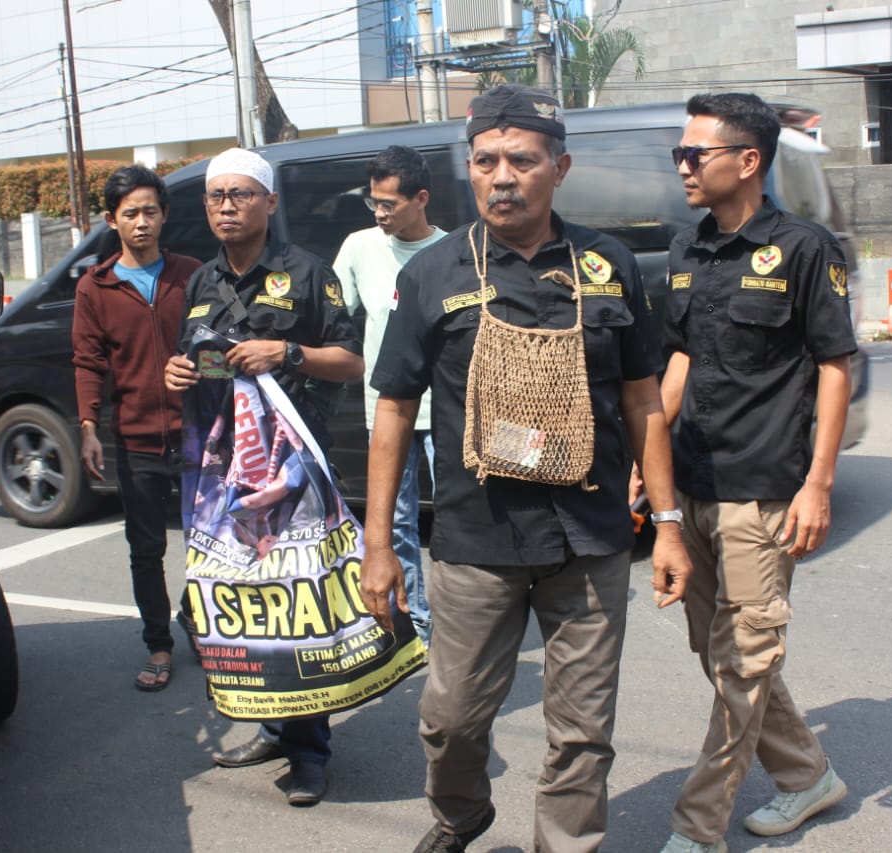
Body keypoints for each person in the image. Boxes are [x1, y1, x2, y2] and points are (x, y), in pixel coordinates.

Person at [359, 85, 691, 853]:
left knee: (582, 732)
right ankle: (460, 814)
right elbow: (394, 411)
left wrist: (667, 524)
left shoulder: (605, 265)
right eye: (485, 161)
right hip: (478, 537)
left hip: (592, 535)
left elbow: (644, 401)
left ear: (559, 167)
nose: (501, 176)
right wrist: (379, 545)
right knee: (450, 719)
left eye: (521, 160)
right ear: (467, 170)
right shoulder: (437, 271)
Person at [654, 93, 857, 853]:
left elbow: (834, 366)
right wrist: (652, 462)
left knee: (742, 659)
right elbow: (680, 359)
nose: (682, 166)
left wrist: (819, 483)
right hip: (693, 483)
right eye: (679, 153)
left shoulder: (804, 248)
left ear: (748, 160)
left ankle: (697, 827)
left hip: (765, 487)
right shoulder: (688, 249)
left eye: (693, 154)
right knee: (717, 650)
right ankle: (808, 774)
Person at [163, 147, 363, 807]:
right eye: (216, 195)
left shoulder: (307, 274)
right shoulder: (200, 283)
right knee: (251, 610)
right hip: (222, 479)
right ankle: (272, 724)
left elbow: (351, 360)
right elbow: (200, 363)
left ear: (269, 203)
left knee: (299, 608)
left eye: (240, 194)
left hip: (291, 473)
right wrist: (180, 373)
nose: (226, 205)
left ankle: (310, 752)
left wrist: (292, 351)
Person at [72, 165, 202, 692]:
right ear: (112, 221)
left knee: (212, 542)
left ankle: (202, 621)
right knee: (146, 548)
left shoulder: (192, 274)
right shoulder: (95, 287)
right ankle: (158, 644)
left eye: (151, 211)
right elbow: (87, 361)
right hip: (135, 438)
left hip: (199, 436)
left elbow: (215, 341)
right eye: (131, 214)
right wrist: (87, 426)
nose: (142, 222)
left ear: (165, 215)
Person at [332, 145, 446, 645]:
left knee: (461, 517)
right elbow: (334, 321)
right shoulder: (358, 248)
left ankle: (468, 614)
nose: (379, 213)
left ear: (420, 199)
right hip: (387, 408)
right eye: (373, 202)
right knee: (396, 522)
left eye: (389, 204)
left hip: (447, 409)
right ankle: (416, 619)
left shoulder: (454, 251)